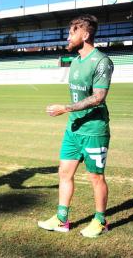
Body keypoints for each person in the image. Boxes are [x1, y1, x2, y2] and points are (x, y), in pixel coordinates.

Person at [37, 14, 114, 238]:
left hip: (94, 131)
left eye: (73, 32)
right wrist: (70, 114)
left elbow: (99, 97)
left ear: (86, 34)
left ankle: (100, 221)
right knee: (64, 172)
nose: (68, 36)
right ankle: (62, 220)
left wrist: (66, 108)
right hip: (73, 130)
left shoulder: (102, 61)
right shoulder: (75, 62)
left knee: (96, 177)